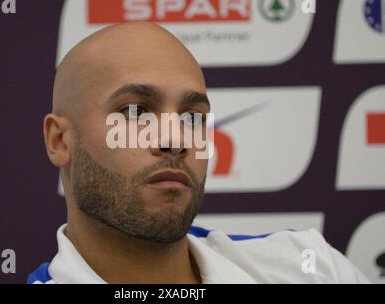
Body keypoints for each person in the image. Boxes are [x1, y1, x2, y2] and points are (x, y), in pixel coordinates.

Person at [28, 22, 369, 284]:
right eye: (135, 112)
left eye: (193, 117)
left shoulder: (310, 267)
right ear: (59, 140)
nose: (175, 140)